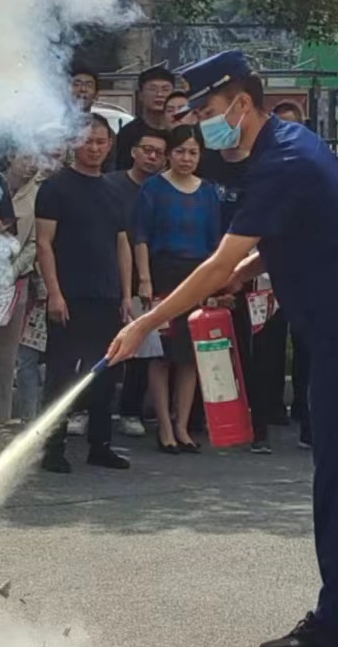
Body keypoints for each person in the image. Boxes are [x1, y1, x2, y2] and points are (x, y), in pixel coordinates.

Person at [108, 51, 338, 647]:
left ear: (242, 103)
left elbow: (215, 262)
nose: (206, 127)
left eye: (210, 111)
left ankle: (335, 622)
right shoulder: (289, 144)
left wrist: (147, 323)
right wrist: (245, 268)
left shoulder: (283, 162)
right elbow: (284, 238)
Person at [34, 115, 135, 475]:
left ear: (110, 146)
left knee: (105, 374)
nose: (94, 148)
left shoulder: (114, 190)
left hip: (107, 296)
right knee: (62, 374)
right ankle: (53, 447)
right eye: (88, 141)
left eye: (101, 142)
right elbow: (44, 244)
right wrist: (54, 293)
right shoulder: (55, 188)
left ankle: (101, 444)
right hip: (70, 296)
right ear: (75, 143)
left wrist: (126, 294)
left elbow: (122, 244)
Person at [132, 125, 226, 453]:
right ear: (169, 153)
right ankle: (165, 426)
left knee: (190, 355)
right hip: (162, 274)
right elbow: (140, 236)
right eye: (180, 151)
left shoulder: (209, 192)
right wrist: (144, 279)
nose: (186, 158)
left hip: (197, 275)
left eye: (193, 152)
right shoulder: (154, 189)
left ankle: (184, 425)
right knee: (161, 355)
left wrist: (216, 283)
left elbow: (217, 244)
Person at [114, 126, 171, 436]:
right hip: (111, 275)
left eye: (159, 153)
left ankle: (130, 410)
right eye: (146, 150)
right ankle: (84, 408)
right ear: (133, 151)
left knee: (142, 346)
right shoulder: (113, 184)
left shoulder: (164, 189)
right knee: (103, 346)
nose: (152, 156)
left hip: (149, 279)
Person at [0, 153, 45, 429]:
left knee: (6, 355)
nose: (32, 163)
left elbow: (35, 241)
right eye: (26, 155)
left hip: (16, 280)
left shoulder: (40, 194)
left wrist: (11, 270)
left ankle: (0, 416)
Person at [111, 65, 178, 172]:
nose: (159, 94)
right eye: (153, 89)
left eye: (165, 89)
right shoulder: (128, 133)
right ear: (141, 95)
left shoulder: (181, 131)